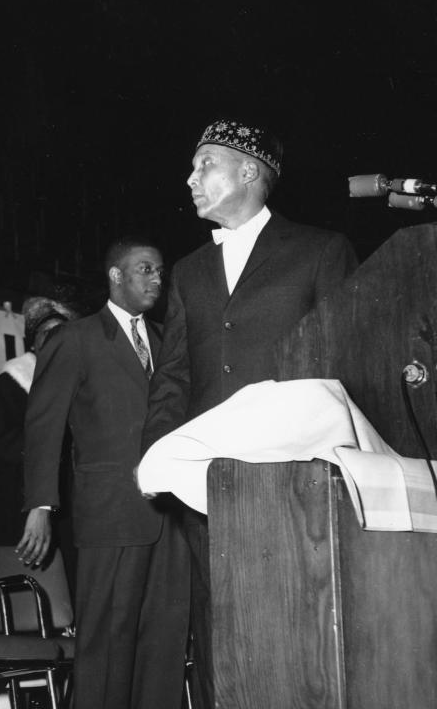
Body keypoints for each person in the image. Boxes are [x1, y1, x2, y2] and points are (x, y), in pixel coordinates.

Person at [141, 118, 358, 709]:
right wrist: (158, 452)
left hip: (299, 480)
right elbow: (175, 374)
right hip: (208, 481)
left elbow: (348, 363)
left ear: (248, 171)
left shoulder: (321, 250)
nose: (190, 178)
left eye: (203, 163)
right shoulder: (187, 272)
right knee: (219, 629)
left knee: (300, 622)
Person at [18, 238, 190, 709]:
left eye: (159, 270)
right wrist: (41, 506)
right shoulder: (74, 339)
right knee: (106, 646)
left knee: (164, 645)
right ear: (115, 275)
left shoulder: (167, 343)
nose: (157, 279)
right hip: (109, 515)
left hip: (170, 519)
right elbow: (43, 427)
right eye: (145, 269)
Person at [0, 296, 73, 545]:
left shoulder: (74, 382)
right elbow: (4, 440)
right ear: (33, 342)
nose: (54, 338)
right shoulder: (11, 381)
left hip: (67, 497)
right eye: (46, 332)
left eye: (61, 332)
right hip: (21, 494)